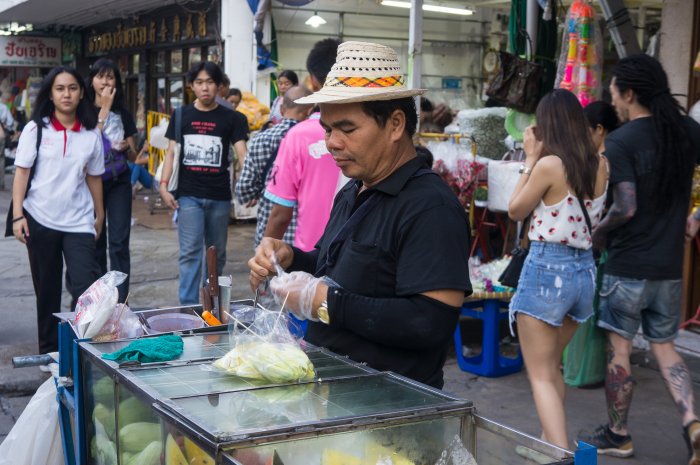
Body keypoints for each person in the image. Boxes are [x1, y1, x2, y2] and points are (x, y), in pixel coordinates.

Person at [248, 41, 472, 389]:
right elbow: (328, 264)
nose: (333, 142)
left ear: (395, 124)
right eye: (327, 129)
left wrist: (324, 301)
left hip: (391, 407)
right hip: (333, 391)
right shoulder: (353, 190)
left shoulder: (431, 208)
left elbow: (429, 323)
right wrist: (290, 258)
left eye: (347, 129)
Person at [579, 54, 700, 462]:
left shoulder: (622, 141)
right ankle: (692, 422)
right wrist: (695, 218)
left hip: (627, 266)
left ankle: (618, 434)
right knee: (665, 348)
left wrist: (597, 233)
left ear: (629, 93)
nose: (612, 101)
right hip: (667, 266)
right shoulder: (686, 131)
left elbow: (625, 206)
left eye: (614, 92)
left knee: (620, 351)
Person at [507, 89, 609, 449]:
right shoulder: (600, 163)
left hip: (548, 272)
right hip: (583, 275)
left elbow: (516, 209)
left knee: (540, 375)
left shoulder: (550, 165)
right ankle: (545, 445)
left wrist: (530, 159)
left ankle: (562, 455)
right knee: (551, 368)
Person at [11, 66, 104, 354]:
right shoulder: (36, 129)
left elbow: (94, 176)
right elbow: (22, 173)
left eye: (73, 88)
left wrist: (100, 215)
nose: (67, 94)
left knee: (86, 289)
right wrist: (17, 215)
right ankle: (49, 352)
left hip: (78, 222)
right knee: (47, 292)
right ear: (51, 94)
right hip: (40, 219)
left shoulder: (90, 134)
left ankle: (83, 349)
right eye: (60, 88)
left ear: (81, 94)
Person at [158, 61, 249, 305]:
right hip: (189, 195)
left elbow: (243, 153)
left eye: (210, 82)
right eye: (199, 82)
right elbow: (171, 153)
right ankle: (188, 308)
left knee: (216, 255)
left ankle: (212, 304)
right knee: (190, 253)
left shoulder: (233, 118)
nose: (205, 88)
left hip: (219, 197)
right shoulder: (180, 116)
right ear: (191, 86)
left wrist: (251, 185)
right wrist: (163, 186)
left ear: (219, 86)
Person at [263, 38, 345, 252]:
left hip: (313, 255)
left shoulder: (298, 136)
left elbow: (281, 214)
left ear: (313, 83)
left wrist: (264, 256)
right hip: (361, 259)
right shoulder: (375, 132)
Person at [86, 58, 138, 302]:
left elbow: (135, 153)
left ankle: (120, 301)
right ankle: (97, 299)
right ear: (92, 80)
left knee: (118, 242)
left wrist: (127, 145)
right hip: (90, 182)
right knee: (95, 239)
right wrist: (103, 110)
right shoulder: (83, 111)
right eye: (100, 76)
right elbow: (87, 146)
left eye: (110, 77)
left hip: (119, 181)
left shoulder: (124, 113)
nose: (105, 82)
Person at [235, 86, 313, 248]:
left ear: (282, 110)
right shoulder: (320, 141)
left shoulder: (260, 140)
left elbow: (243, 191)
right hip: (309, 240)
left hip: (270, 239)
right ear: (310, 110)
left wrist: (259, 191)